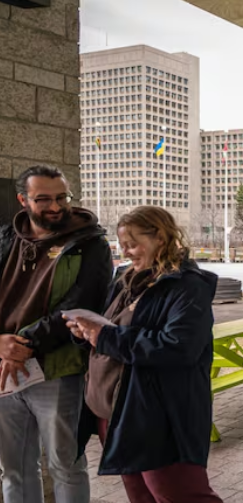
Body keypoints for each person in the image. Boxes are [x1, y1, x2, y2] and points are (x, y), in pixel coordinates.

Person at [67, 206, 222, 503]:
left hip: (157, 415)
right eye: (122, 244)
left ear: (160, 238)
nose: (125, 252)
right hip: (118, 412)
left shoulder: (187, 285)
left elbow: (179, 347)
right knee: (141, 496)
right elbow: (111, 329)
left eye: (133, 244)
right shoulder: (126, 279)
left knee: (179, 495)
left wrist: (105, 337)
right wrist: (87, 333)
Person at [0, 166, 111, 503]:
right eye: (43, 199)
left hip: (57, 369)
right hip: (3, 367)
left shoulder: (90, 244)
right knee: (14, 469)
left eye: (62, 197)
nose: (55, 206)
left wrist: (24, 344)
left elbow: (81, 305)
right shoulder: (5, 238)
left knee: (66, 465)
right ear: (23, 200)